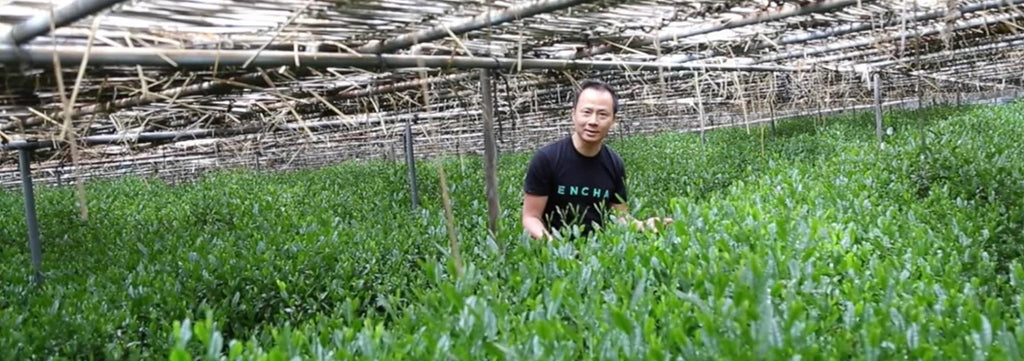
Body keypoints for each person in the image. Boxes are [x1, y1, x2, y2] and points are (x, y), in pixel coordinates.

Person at [521, 79, 672, 240]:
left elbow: (619, 217)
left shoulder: (614, 163)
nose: (593, 121)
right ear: (573, 114)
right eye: (586, 112)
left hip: (596, 254)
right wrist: (553, 245)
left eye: (602, 114)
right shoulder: (547, 158)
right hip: (554, 258)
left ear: (613, 120)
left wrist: (644, 225)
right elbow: (531, 217)